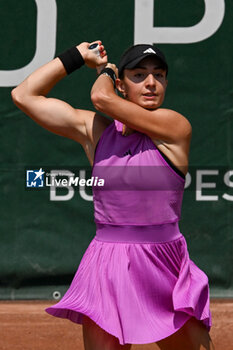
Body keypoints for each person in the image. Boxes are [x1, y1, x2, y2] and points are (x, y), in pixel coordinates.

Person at [11, 41, 214, 350]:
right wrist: (77, 56)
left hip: (165, 265)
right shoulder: (97, 134)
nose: (150, 83)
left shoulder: (174, 127)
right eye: (138, 75)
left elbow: (99, 97)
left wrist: (106, 69)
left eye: (158, 75)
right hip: (107, 266)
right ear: (122, 85)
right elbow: (23, 95)